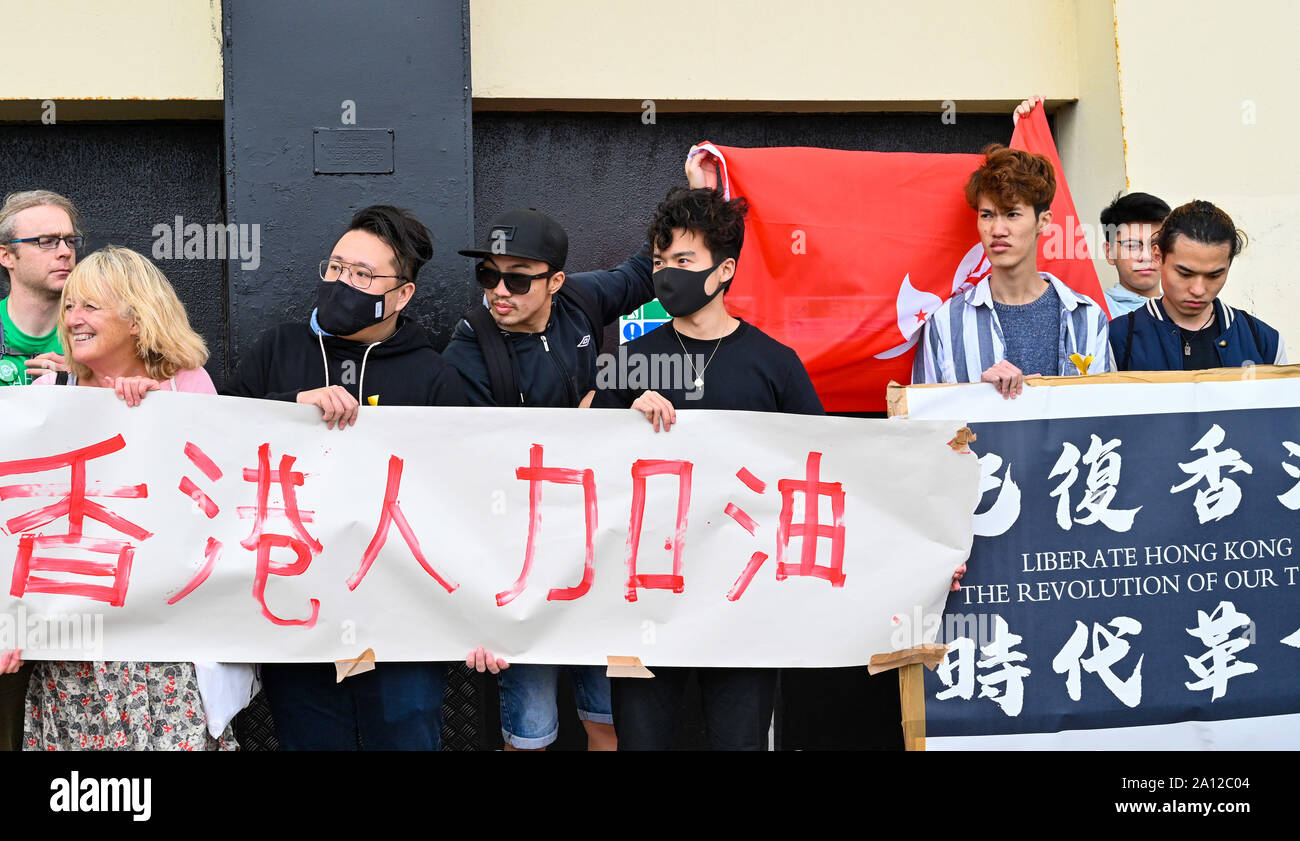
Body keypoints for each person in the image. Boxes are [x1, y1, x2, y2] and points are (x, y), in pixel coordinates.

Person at [448, 165, 714, 750]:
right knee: (531, 727)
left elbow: (651, 268)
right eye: (488, 275)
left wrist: (703, 194)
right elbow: (472, 464)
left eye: (518, 280)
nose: (499, 291)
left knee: (606, 714)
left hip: (604, 549)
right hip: (525, 558)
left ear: (557, 281)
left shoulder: (585, 300)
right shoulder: (469, 348)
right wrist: (585, 421)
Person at [590, 185, 824, 750]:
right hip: (643, 596)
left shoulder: (775, 365)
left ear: (724, 271)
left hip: (742, 598)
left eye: (684, 262)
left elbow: (826, 468)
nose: (668, 273)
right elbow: (585, 463)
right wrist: (617, 410)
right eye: (660, 262)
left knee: (739, 741)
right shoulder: (629, 361)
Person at [226, 205, 468, 750]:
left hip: (402, 621)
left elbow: (457, 497)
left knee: (406, 734)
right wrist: (290, 406)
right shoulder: (279, 349)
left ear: (402, 294)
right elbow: (222, 441)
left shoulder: (434, 375)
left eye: (362, 275)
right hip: (297, 607)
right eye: (335, 268)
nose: (342, 284)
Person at [20, 245, 238, 750]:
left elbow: (214, 505)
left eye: (90, 306)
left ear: (138, 320)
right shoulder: (50, 392)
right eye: (70, 305)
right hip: (74, 642)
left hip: (160, 642)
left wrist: (161, 419)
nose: (73, 318)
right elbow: (25, 520)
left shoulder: (185, 385)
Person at [912, 144, 1113, 398]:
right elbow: (922, 423)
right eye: (987, 215)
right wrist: (977, 398)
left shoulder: (1087, 318)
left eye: (1012, 214)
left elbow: (1104, 414)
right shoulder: (945, 322)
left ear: (1044, 221)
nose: (997, 230)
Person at [0, 189, 82, 751]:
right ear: (7, 256)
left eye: (70, 240)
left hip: (72, 570)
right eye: (45, 241)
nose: (64, 253)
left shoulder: (100, 339)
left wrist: (82, 385)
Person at [1110, 200, 1286, 371]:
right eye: (1185, 274)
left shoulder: (1264, 341)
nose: (1198, 290)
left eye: (1214, 275)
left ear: (1229, 265)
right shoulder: (1117, 339)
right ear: (1158, 256)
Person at [1098, 192, 1172, 317]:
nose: (1146, 257)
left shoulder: (1184, 310)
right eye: (1132, 245)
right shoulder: (1095, 313)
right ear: (1109, 252)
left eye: (1156, 244)